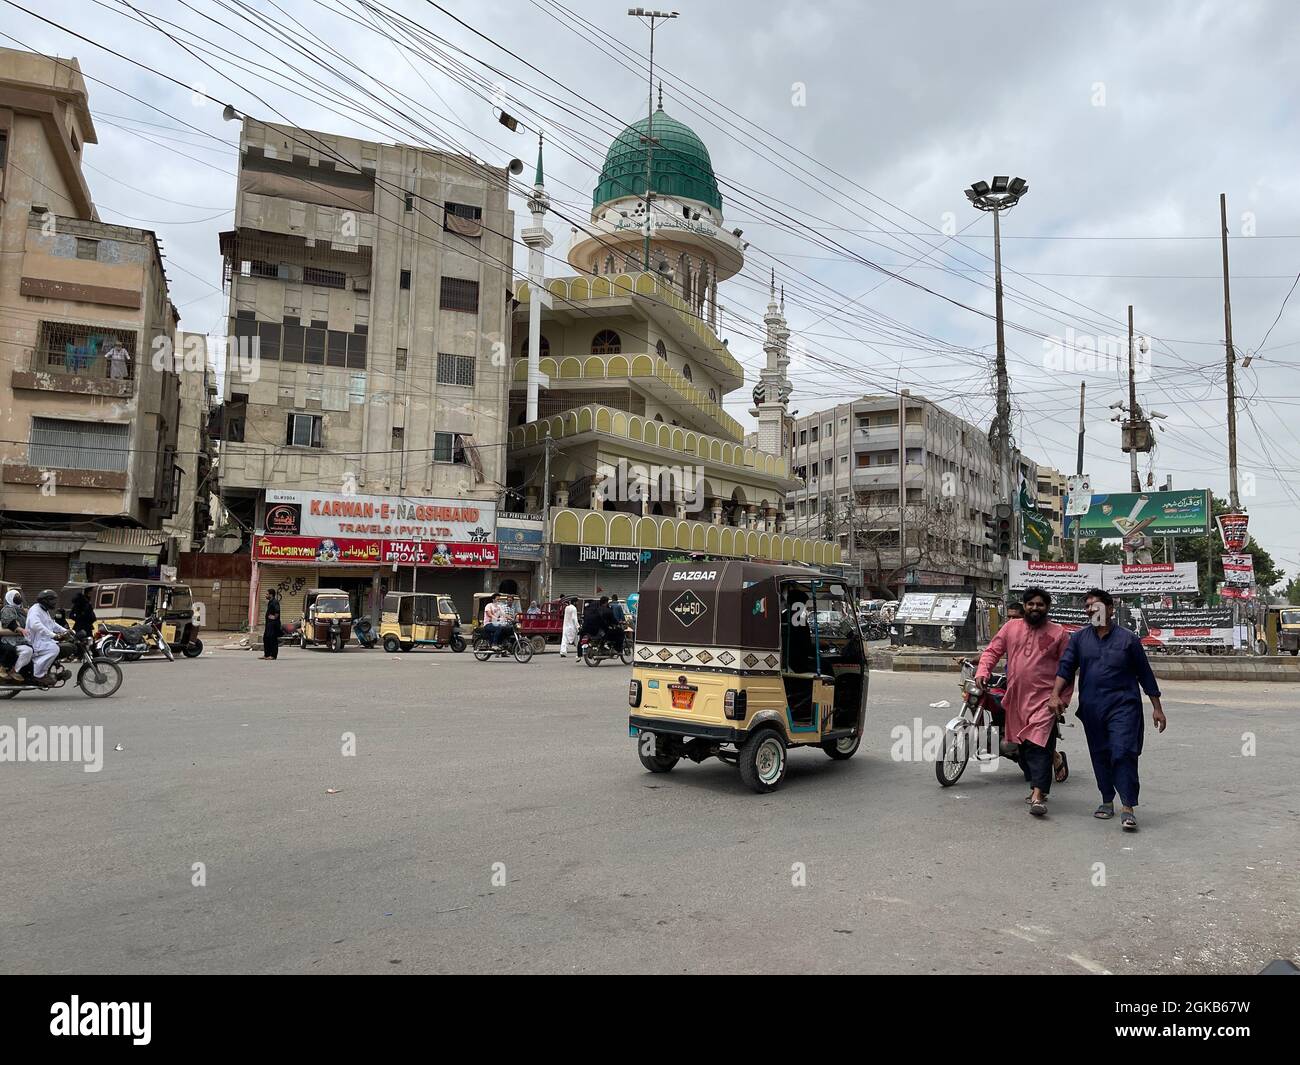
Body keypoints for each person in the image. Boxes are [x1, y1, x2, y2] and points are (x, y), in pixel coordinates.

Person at [1051, 588, 1165, 831]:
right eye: (1087, 607)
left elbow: (1145, 675)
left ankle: (1127, 806)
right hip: (1092, 709)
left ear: (1110, 610)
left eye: (1096, 605)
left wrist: (1157, 708)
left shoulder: (1128, 640)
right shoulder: (1079, 639)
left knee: (1122, 752)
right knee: (1100, 754)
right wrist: (1054, 695)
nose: (1091, 610)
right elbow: (1065, 668)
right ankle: (1106, 800)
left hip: (1124, 707)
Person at [976, 587, 1073, 817]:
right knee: (1024, 747)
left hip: (1045, 700)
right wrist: (983, 670)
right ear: (1025, 606)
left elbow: (1068, 669)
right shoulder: (1011, 627)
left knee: (1039, 745)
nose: (1035, 608)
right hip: (1017, 699)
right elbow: (992, 651)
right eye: (1031, 604)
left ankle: (1038, 795)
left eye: (1040, 604)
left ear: (1047, 607)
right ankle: (1049, 768)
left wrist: (1061, 698)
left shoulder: (1059, 634)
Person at [27, 589, 69, 687]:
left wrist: (66, 631)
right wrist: (53, 635)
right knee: (54, 649)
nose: (54, 603)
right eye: (52, 600)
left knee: (58, 646)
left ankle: (49, 669)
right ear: (45, 601)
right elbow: (36, 625)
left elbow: (52, 624)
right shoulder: (35, 610)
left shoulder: (44, 610)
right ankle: (38, 674)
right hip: (35, 641)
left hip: (43, 640)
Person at [1, 589, 29, 681]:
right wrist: (19, 629)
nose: (18, 597)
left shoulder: (21, 610)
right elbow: (10, 622)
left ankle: (15, 671)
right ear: (10, 598)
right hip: (10, 639)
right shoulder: (8, 609)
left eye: (19, 595)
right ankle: (5, 668)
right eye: (15, 596)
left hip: (22, 638)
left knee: (30, 651)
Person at [261, 590, 281, 660]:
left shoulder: (275, 602)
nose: (265, 595)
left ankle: (273, 655)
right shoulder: (270, 602)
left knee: (272, 639)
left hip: (273, 624)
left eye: (267, 594)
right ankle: (267, 654)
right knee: (266, 638)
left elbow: (277, 611)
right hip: (268, 624)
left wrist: (274, 617)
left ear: (271, 595)